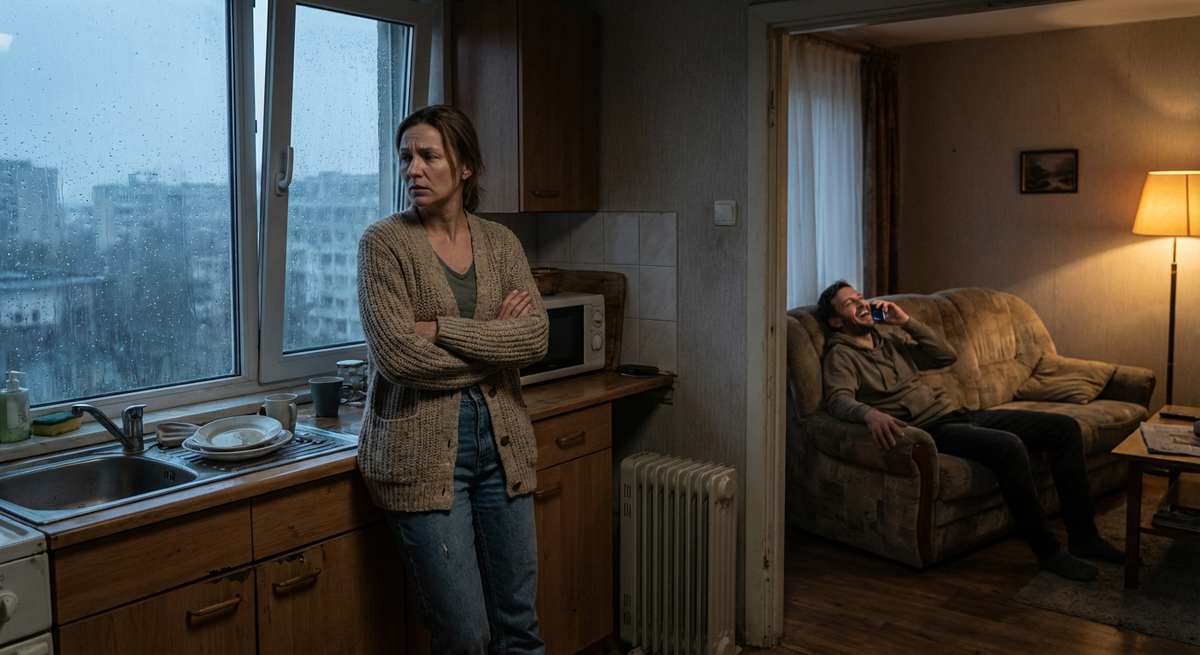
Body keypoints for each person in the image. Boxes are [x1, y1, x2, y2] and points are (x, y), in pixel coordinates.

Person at [357, 104, 548, 654]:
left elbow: (536, 338)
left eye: (428, 156)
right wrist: (496, 343)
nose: (413, 169)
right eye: (405, 158)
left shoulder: (501, 242)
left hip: (503, 449)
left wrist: (441, 328)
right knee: (465, 636)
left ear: (465, 166)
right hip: (419, 456)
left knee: (519, 628)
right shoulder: (383, 244)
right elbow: (399, 357)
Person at [816, 280, 1124, 581]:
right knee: (1009, 447)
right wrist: (869, 414)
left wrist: (906, 321)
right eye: (850, 304)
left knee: (1065, 428)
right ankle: (1049, 552)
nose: (861, 304)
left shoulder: (891, 341)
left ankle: (1084, 536)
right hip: (931, 430)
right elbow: (838, 399)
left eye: (860, 297)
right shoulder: (840, 355)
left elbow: (945, 356)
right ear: (836, 322)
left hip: (959, 414)